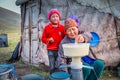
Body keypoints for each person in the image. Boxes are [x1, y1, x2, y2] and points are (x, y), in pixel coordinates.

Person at [41, 9, 66, 74]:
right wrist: (48, 40)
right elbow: (43, 38)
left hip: (60, 50)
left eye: (56, 16)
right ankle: (52, 76)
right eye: (53, 16)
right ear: (50, 18)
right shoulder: (47, 28)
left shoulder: (62, 28)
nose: (55, 18)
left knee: (59, 64)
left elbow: (65, 38)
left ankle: (58, 76)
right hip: (51, 50)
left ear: (59, 17)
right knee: (52, 65)